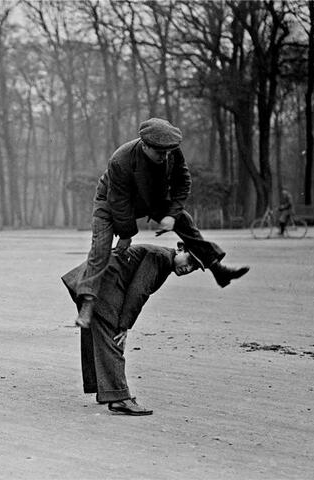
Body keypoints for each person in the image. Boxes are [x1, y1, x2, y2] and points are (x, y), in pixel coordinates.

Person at [76, 117, 249, 327]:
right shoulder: (120, 160)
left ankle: (217, 269)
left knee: (184, 220)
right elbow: (119, 203)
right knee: (100, 250)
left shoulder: (171, 151)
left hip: (150, 198)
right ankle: (87, 302)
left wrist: (172, 215)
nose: (165, 156)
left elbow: (183, 182)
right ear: (145, 145)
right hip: (110, 202)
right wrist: (125, 235)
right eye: (160, 152)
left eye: (168, 152)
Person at [62, 242, 207, 416]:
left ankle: (105, 390)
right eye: (189, 261)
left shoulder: (164, 259)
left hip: (90, 281)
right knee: (113, 338)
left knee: (97, 334)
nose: (188, 268)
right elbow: (138, 291)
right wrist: (124, 326)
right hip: (101, 286)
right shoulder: (159, 257)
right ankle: (119, 399)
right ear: (181, 249)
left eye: (193, 268)